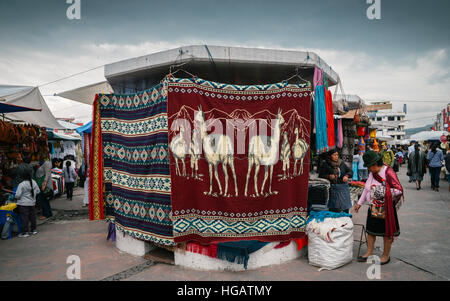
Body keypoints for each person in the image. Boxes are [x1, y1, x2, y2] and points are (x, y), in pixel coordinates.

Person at [354, 150, 404, 265]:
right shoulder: (372, 173)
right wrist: (359, 203)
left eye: (369, 167)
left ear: (375, 164)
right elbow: (366, 189)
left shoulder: (388, 172)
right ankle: (369, 252)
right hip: (373, 207)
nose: (369, 170)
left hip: (386, 209)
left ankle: (385, 256)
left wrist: (381, 192)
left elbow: (399, 190)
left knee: (386, 233)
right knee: (371, 231)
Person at [15, 172, 40, 238]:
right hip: (32, 203)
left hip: (23, 204)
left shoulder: (21, 184)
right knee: (32, 217)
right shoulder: (34, 182)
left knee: (24, 218)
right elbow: (38, 191)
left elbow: (17, 195)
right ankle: (33, 230)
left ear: (22, 177)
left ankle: (25, 232)